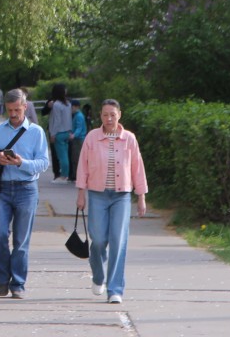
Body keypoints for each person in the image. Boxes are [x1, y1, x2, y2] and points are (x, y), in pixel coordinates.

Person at [76, 99, 148, 304]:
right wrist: (80, 193)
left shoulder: (129, 139)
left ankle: (115, 288)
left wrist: (141, 196)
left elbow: (137, 168)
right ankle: (98, 275)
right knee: (98, 240)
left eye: (113, 115)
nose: (109, 119)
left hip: (121, 196)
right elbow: (83, 166)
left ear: (119, 115)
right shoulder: (92, 138)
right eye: (105, 115)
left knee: (118, 240)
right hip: (97, 194)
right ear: (100, 116)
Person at [0, 89, 50, 299]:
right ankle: (2, 279)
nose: (13, 114)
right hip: (2, 189)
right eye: (10, 110)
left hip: (26, 189)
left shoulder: (36, 132)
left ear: (25, 107)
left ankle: (18, 283)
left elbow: (43, 163)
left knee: (21, 241)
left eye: (17, 109)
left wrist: (22, 162)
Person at [47, 83, 73, 182]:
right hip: (67, 131)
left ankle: (63, 176)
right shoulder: (68, 103)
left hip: (59, 132)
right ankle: (66, 174)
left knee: (62, 156)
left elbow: (57, 120)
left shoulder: (57, 105)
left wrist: (53, 133)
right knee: (65, 154)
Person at [68, 100, 87, 183]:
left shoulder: (79, 116)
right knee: (75, 158)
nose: (71, 108)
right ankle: (75, 176)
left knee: (77, 158)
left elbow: (79, 127)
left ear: (76, 107)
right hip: (77, 139)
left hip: (79, 139)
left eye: (72, 106)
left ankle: (78, 177)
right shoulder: (76, 115)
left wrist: (74, 135)